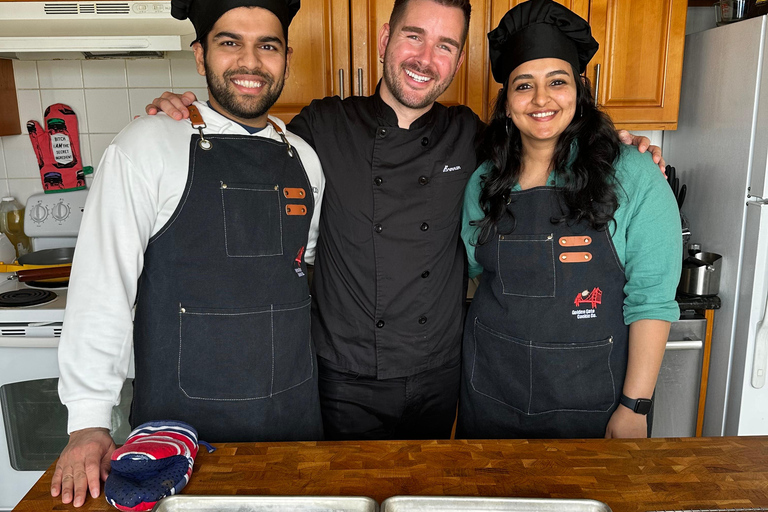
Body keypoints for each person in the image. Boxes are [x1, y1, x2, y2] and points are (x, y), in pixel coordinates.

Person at [147, 0, 664, 441]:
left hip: (440, 375)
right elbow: (249, 138)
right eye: (414, 36)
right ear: (384, 38)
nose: (425, 58)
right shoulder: (321, 127)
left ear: (459, 60)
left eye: (445, 45)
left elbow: (545, 139)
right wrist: (188, 114)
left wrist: (625, 147)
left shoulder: (474, 138)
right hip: (341, 378)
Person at [52, 0, 326, 506]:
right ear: (201, 57)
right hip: (179, 435)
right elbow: (101, 286)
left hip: (292, 418)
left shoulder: (304, 157)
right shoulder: (147, 144)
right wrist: (87, 421)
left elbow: (297, 266)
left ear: (286, 57)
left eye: (267, 45)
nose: (251, 62)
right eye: (230, 43)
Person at [457, 0, 681, 440]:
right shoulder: (483, 180)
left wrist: (635, 406)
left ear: (579, 89)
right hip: (490, 395)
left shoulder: (634, 175)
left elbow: (651, 301)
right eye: (524, 86)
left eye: (556, 82)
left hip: (593, 405)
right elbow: (479, 274)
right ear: (507, 102)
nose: (541, 99)